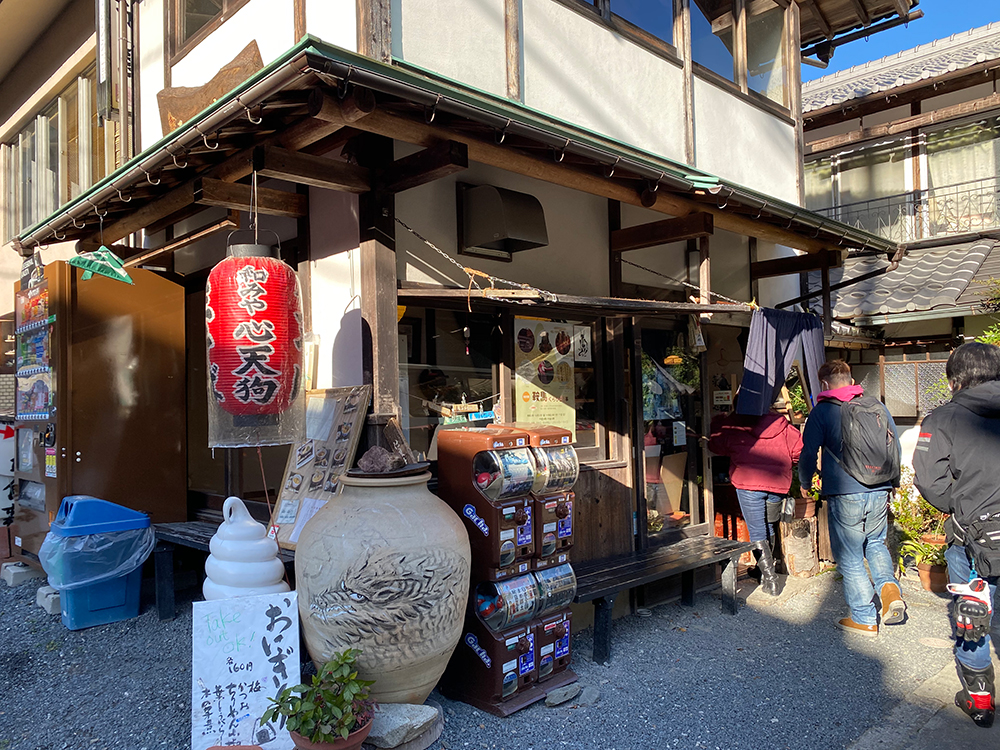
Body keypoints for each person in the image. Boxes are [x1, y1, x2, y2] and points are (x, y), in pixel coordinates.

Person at [913, 342, 1000, 729]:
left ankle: (980, 700)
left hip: (975, 537)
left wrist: (960, 505)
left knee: (972, 619)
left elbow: (930, 482)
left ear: (955, 378)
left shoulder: (943, 419)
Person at [799, 360, 904, 636]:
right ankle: (891, 593)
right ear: (851, 379)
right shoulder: (876, 406)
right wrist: (894, 481)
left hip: (846, 492)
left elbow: (808, 453)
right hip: (879, 488)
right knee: (876, 544)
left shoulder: (822, 412)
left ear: (824, 385)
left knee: (851, 556)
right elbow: (895, 445)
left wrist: (804, 481)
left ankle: (864, 617)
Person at [708, 400, 802, 596]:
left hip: (748, 484)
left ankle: (771, 580)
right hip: (778, 483)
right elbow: (798, 450)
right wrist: (784, 464)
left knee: (758, 531)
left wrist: (717, 422)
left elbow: (716, 445)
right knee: (769, 526)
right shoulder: (781, 423)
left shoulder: (733, 424)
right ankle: (763, 571)